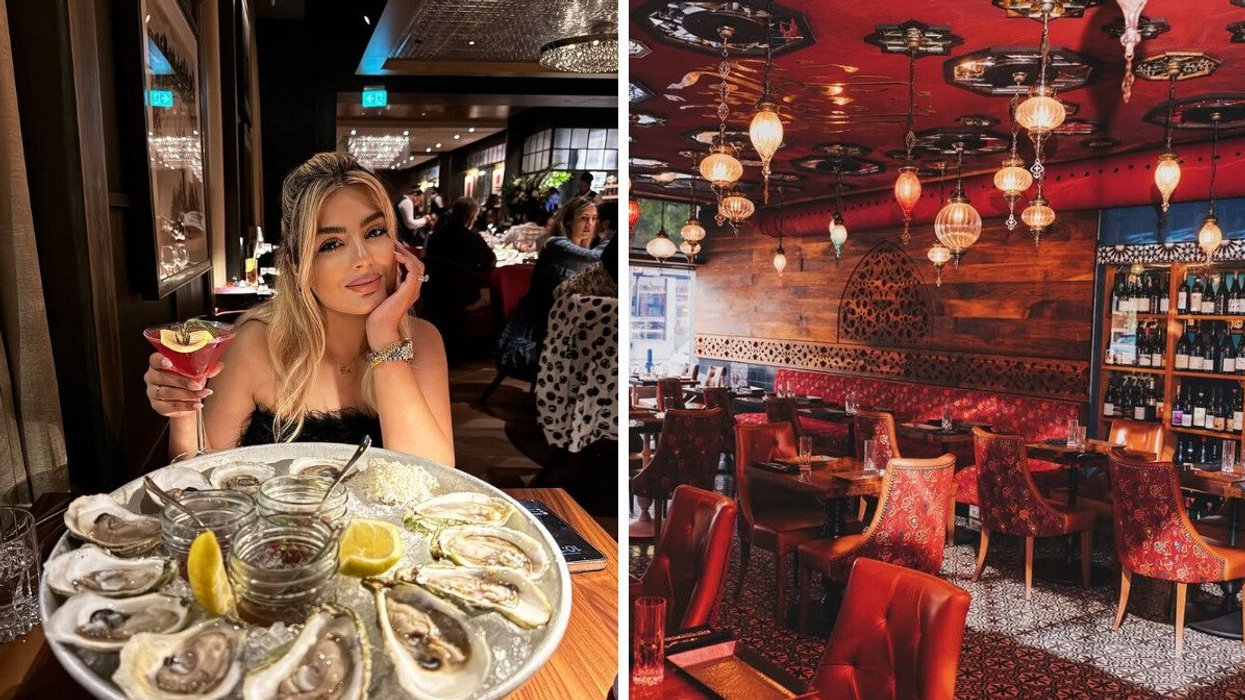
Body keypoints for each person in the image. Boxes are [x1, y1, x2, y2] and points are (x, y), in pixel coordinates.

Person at [143, 152, 453, 464]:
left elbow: (433, 479)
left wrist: (385, 337)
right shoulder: (253, 343)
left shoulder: (422, 341)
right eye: (331, 244)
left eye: (374, 232)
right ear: (297, 266)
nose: (363, 258)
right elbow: (198, 480)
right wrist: (183, 411)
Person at [493, 197, 601, 384]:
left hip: (566, 318)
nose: (590, 224)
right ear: (568, 220)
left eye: (594, 218)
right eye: (584, 218)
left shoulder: (579, 253)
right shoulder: (555, 244)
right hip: (539, 323)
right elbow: (594, 257)